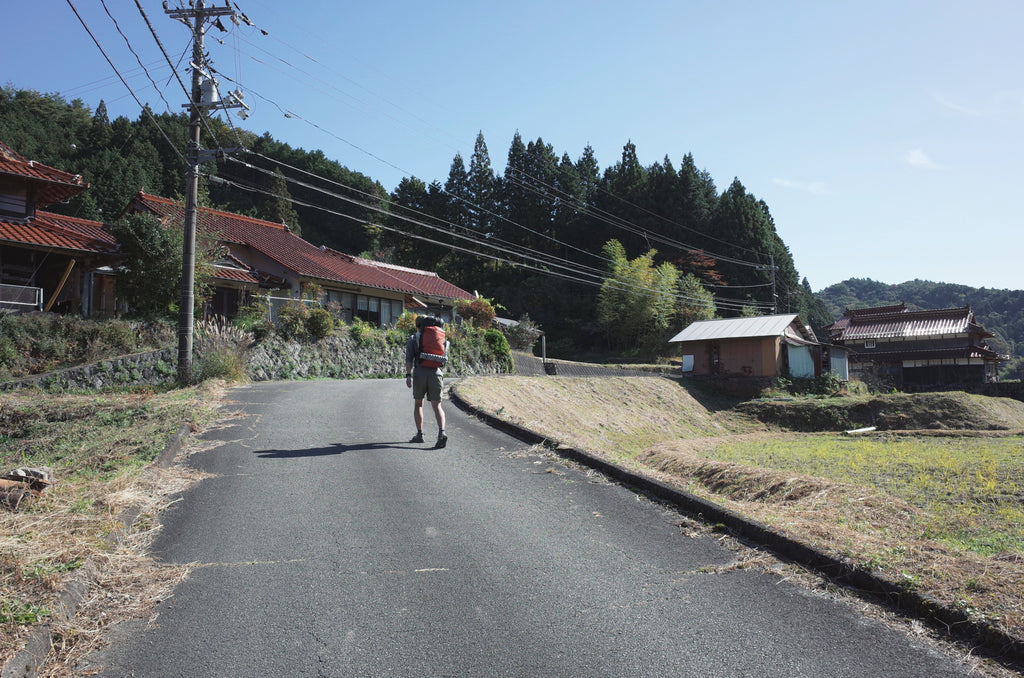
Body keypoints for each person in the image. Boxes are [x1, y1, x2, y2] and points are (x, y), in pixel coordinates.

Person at [405, 315, 447, 448]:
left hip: (420, 374)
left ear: (417, 325)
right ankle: (441, 433)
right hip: (436, 373)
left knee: (418, 404)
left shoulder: (413, 338)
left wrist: (408, 375)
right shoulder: (439, 336)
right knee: (437, 406)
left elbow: (409, 359)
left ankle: (420, 434)